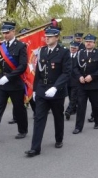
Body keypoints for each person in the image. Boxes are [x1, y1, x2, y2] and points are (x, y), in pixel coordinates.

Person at [25, 26, 71, 157]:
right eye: (46, 36)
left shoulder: (64, 52)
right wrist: (35, 89)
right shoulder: (42, 51)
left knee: (58, 116)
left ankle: (59, 138)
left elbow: (66, 73)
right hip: (42, 90)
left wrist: (55, 87)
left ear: (57, 37)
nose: (47, 38)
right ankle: (35, 148)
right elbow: (38, 72)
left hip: (56, 91)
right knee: (39, 118)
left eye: (50, 37)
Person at [72, 34, 98, 134]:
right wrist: (79, 76)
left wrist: (92, 76)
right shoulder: (80, 53)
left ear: (94, 43)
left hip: (94, 85)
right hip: (82, 84)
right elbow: (74, 68)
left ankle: (97, 121)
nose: (88, 43)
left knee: (95, 105)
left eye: (90, 42)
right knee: (81, 106)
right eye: (86, 41)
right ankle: (78, 127)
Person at [64, 41, 80, 120]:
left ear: (77, 48)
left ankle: (68, 111)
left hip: (76, 80)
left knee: (73, 96)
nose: (73, 49)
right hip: (67, 80)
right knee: (70, 96)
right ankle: (74, 109)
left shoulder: (79, 56)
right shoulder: (66, 56)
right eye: (71, 48)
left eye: (74, 48)